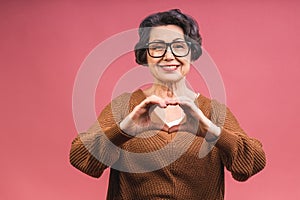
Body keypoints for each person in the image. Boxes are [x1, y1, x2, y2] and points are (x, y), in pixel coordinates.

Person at [70, 9, 266, 199]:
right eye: (158, 47)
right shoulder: (124, 106)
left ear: (191, 52)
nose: (169, 56)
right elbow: (82, 159)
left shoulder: (212, 111)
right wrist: (124, 130)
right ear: (145, 55)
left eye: (179, 46)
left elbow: (253, 163)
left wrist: (212, 132)